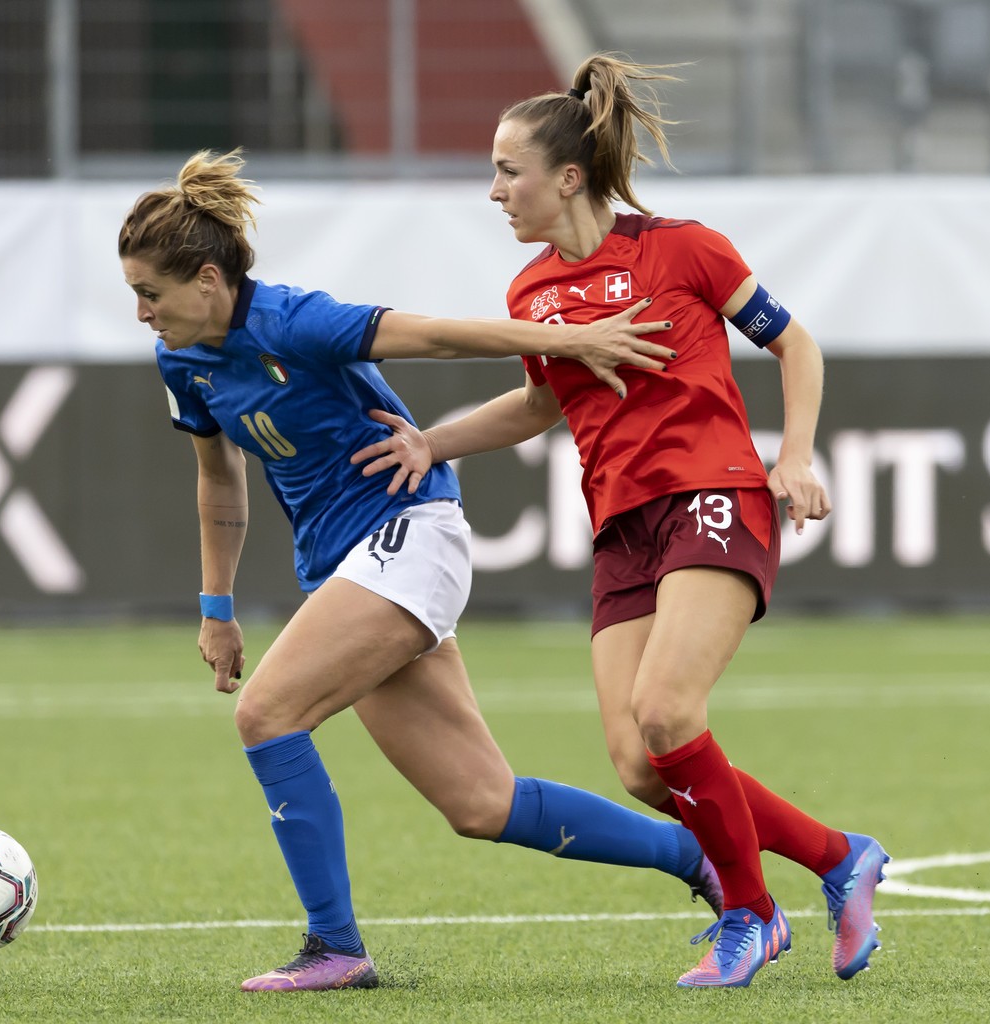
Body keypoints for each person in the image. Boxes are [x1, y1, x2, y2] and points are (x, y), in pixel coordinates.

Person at [118, 148, 728, 993]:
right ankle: (700, 857)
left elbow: (437, 336)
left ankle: (335, 947)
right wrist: (215, 605)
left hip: (409, 533)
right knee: (482, 804)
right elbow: (218, 478)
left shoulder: (295, 321)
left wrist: (571, 338)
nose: (142, 312)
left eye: (150, 293)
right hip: (345, 565)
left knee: (267, 714)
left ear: (210, 280)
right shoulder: (183, 360)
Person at [352, 54, 890, 989]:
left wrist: (793, 456)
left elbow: (793, 341)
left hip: (713, 497)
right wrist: (432, 444)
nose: (494, 192)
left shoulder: (684, 248)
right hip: (621, 528)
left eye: (506, 171)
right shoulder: (530, 294)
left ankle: (752, 915)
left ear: (567, 177)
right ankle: (840, 858)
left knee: (669, 712)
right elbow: (536, 407)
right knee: (644, 766)